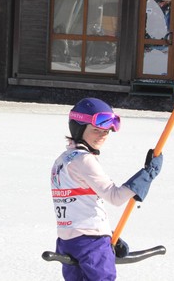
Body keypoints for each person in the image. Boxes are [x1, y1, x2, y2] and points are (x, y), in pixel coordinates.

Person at [50, 97, 163, 280]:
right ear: (79, 128)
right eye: (96, 130)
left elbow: (78, 205)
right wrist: (147, 174)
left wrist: (108, 235)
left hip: (67, 242)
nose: (102, 135)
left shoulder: (62, 160)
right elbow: (115, 197)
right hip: (91, 242)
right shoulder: (85, 160)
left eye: (106, 131)